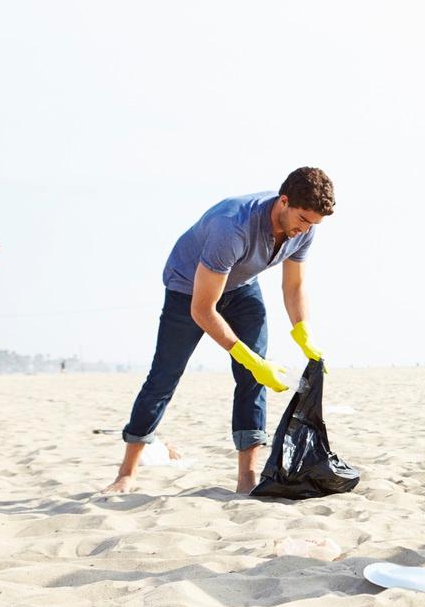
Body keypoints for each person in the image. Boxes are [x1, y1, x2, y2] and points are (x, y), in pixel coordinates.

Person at [103, 168, 334, 494]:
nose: (305, 229)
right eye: (303, 219)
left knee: (252, 379)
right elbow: (202, 309)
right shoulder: (232, 226)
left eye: (313, 224)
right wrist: (246, 356)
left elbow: (293, 286)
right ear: (283, 201)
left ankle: (246, 478)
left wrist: (303, 332)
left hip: (241, 287)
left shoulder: (303, 229)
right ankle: (126, 472)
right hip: (188, 289)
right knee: (163, 378)